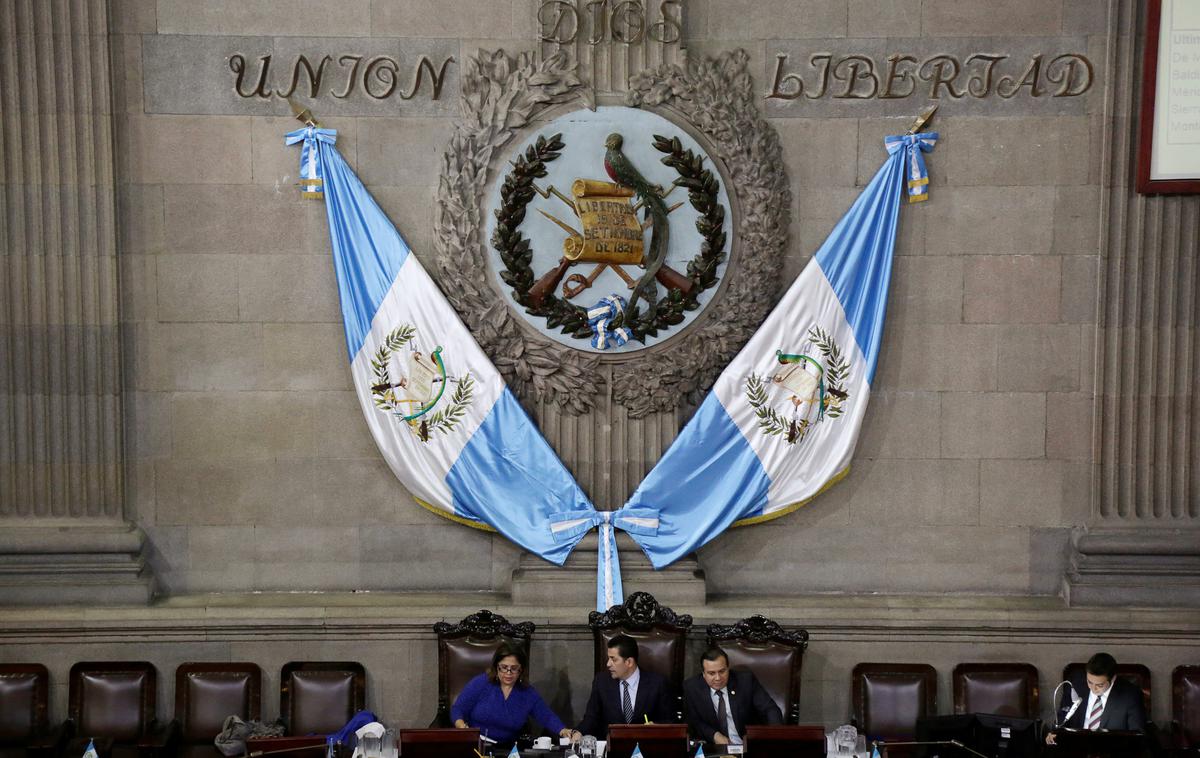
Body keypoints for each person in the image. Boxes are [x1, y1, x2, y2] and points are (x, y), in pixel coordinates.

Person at [452, 642, 573, 746]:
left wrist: (563, 730)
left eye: (514, 668)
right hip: (476, 746)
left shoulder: (527, 693)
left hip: (507, 750)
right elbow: (458, 709)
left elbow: (546, 716)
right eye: (504, 667)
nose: (508, 673)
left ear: (521, 670)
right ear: (496, 667)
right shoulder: (481, 683)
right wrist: (463, 728)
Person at [576, 634, 675, 736]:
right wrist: (579, 732)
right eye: (608, 658)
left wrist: (655, 726)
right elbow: (591, 717)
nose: (608, 664)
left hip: (645, 747)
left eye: (613, 659)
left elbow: (669, 721)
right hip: (611, 746)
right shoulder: (601, 681)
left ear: (629, 662)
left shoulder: (657, 684)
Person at [682, 646, 783, 746]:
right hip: (714, 747)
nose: (718, 678)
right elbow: (694, 721)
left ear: (728, 669)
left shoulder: (745, 681)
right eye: (711, 673)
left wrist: (774, 738)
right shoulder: (692, 688)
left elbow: (770, 709)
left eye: (722, 671)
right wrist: (714, 735)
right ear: (704, 674)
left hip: (747, 745)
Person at [1045, 652, 1147, 745]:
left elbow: (1137, 736)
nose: (1093, 688)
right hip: (1076, 747)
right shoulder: (1075, 682)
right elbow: (1064, 713)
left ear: (1113, 678)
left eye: (1100, 685)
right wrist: (1054, 732)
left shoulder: (1131, 695)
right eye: (1089, 682)